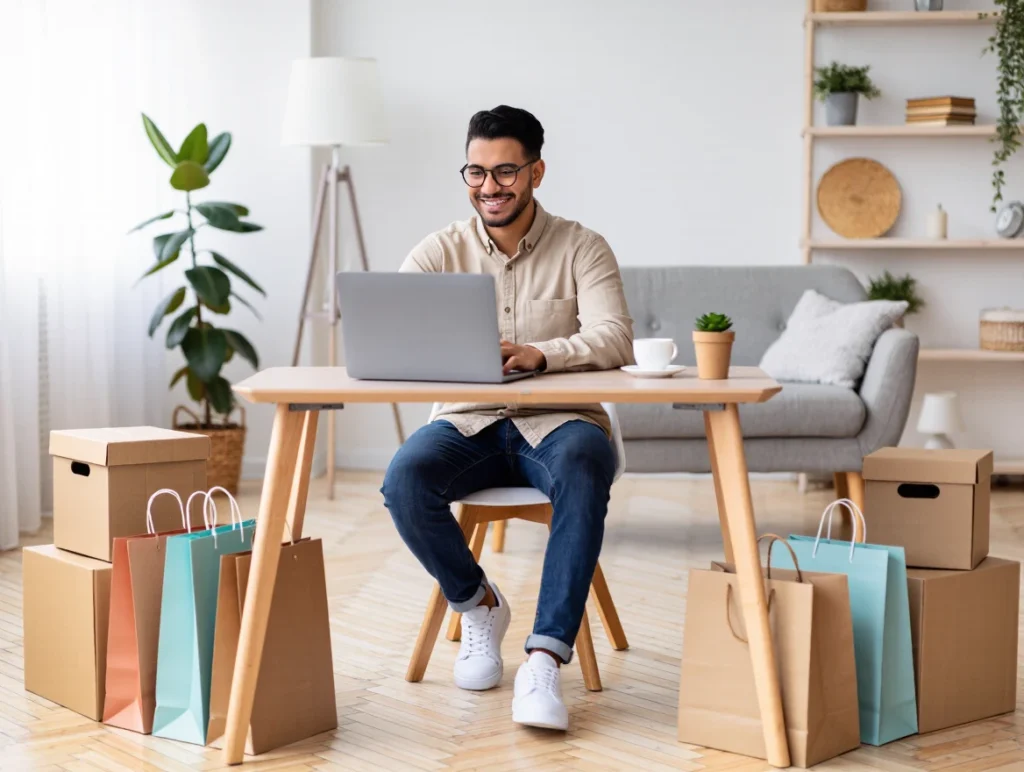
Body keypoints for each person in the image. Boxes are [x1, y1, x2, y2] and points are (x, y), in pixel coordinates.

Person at [381, 105, 633, 730]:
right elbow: (391, 331)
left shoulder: (583, 246)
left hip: (560, 421)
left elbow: (615, 337)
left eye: (505, 172)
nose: (489, 186)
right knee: (404, 480)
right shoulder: (439, 251)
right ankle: (478, 604)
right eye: (476, 171)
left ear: (536, 172)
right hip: (468, 422)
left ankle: (545, 660)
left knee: (582, 464)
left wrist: (541, 354)